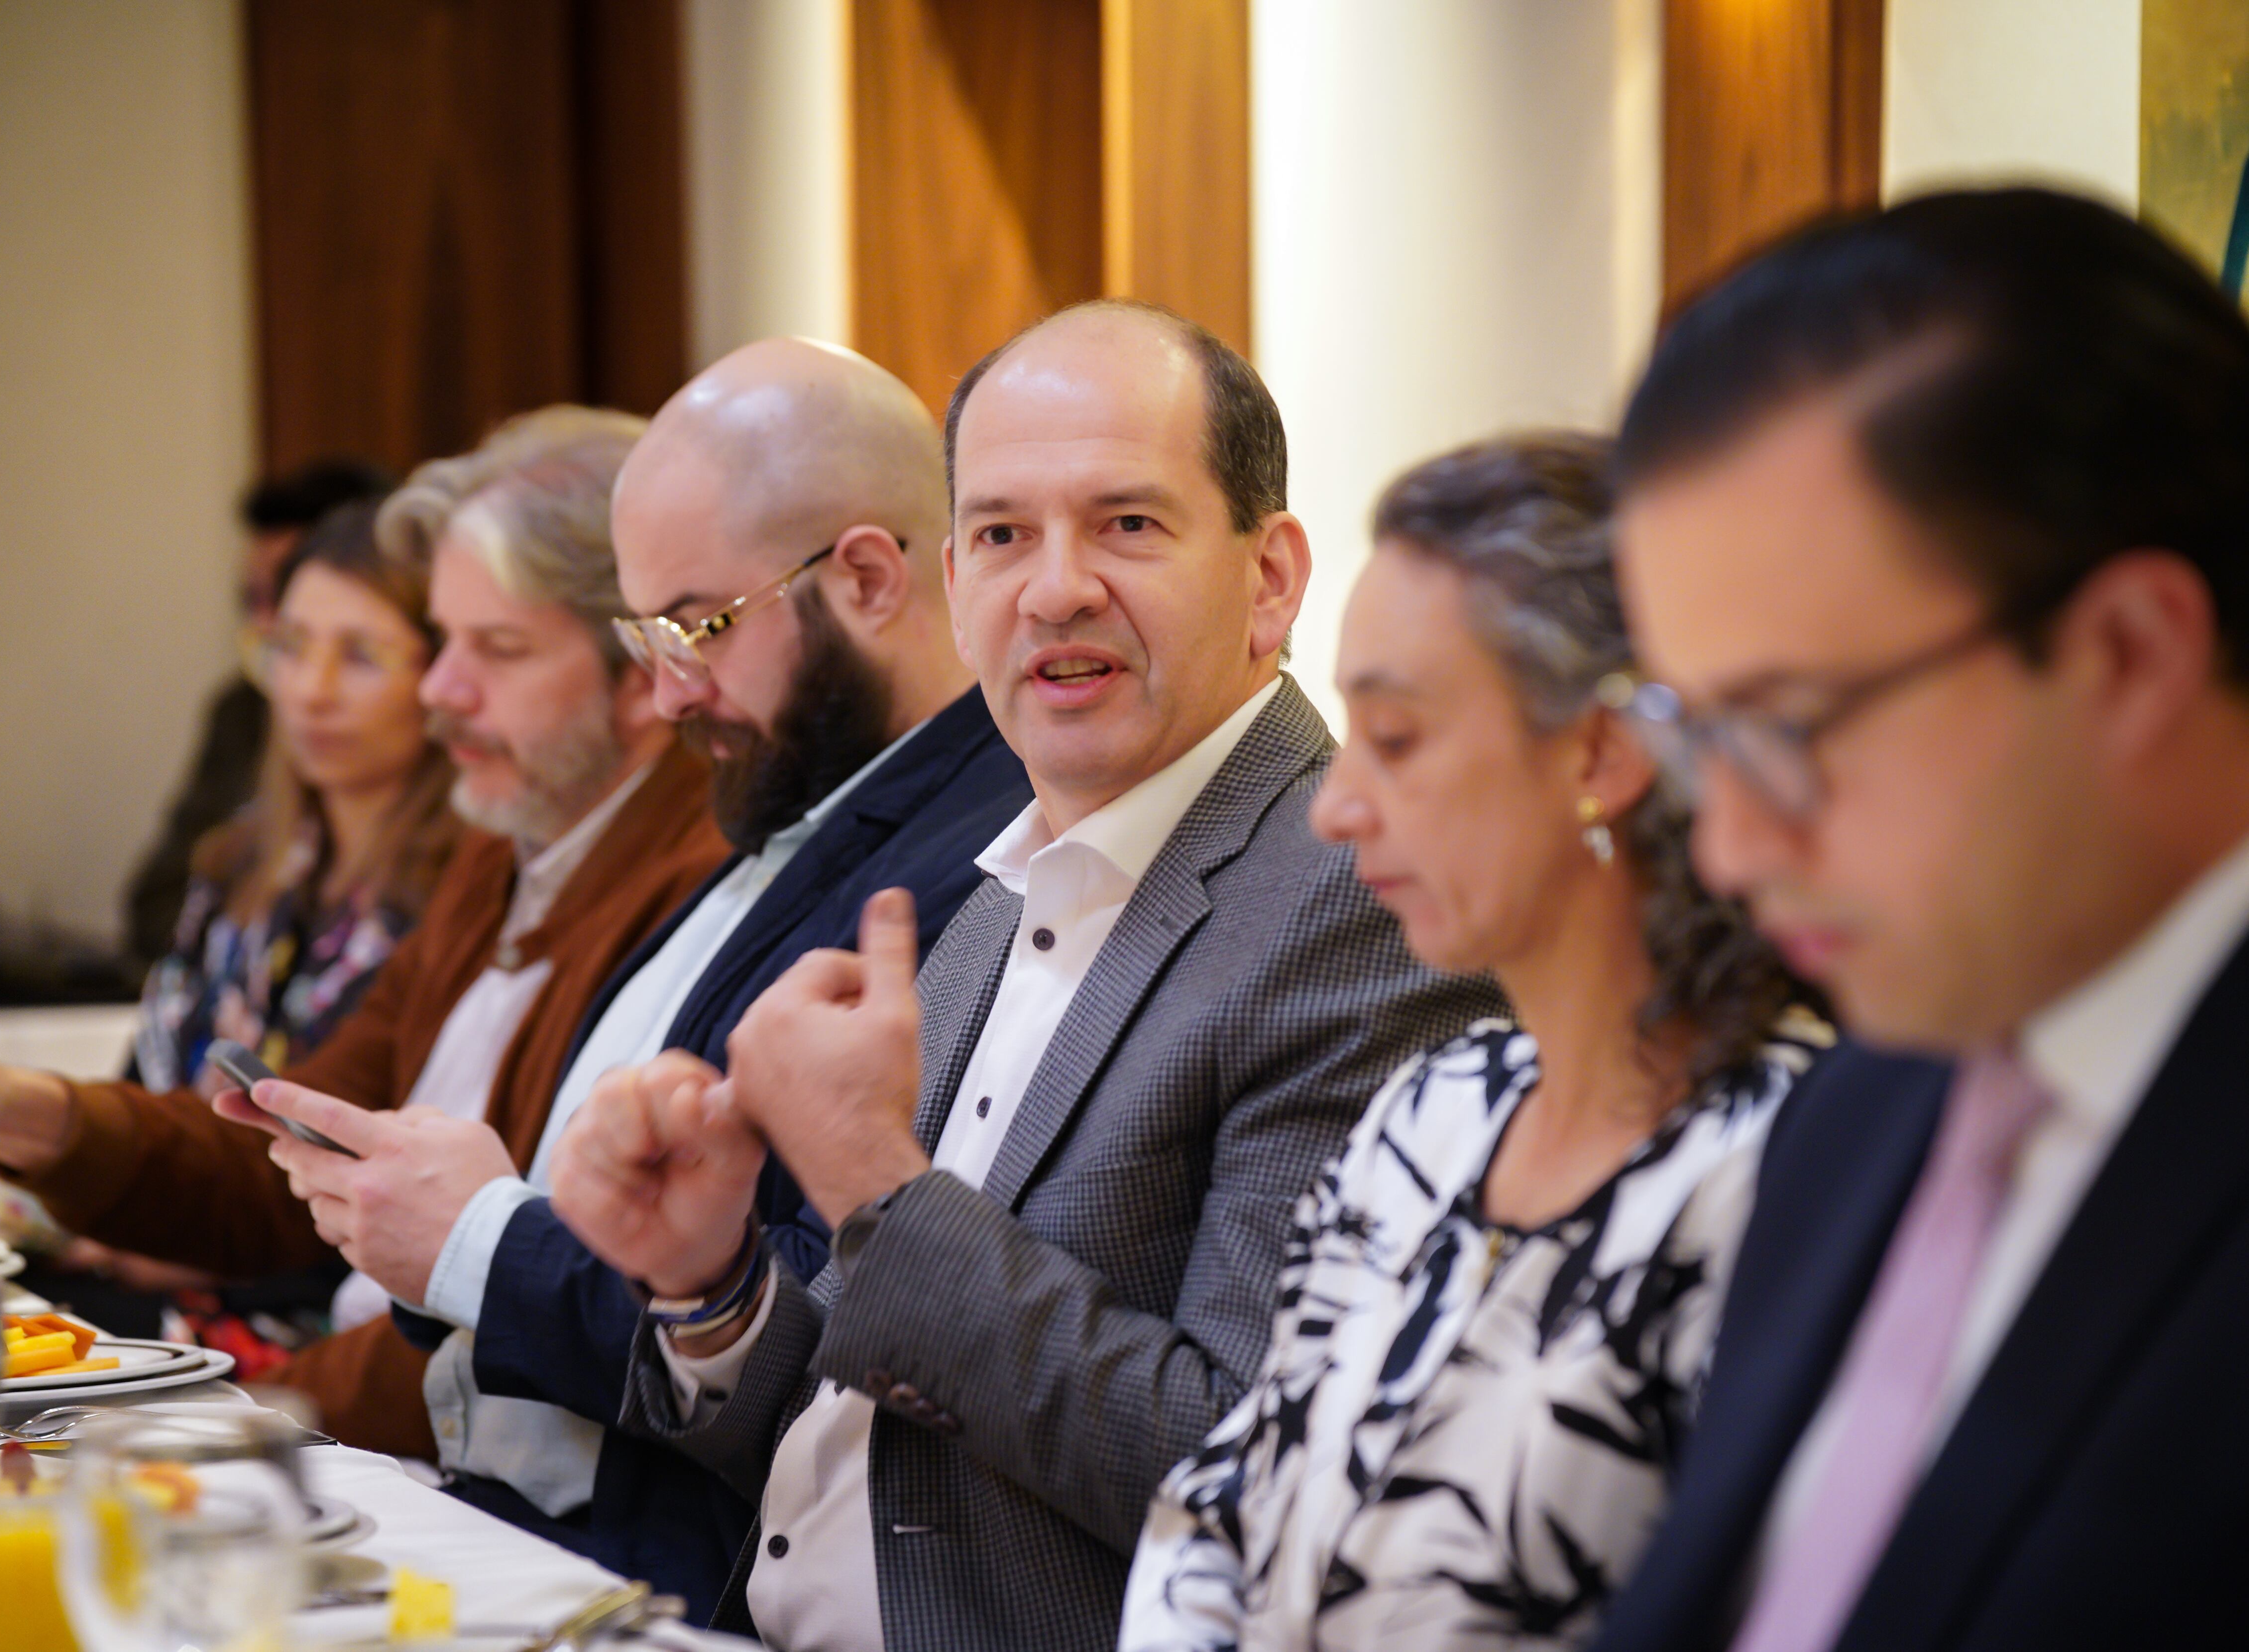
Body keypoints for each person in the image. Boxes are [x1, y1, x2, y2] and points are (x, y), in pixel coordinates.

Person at [548, 300, 1506, 1650]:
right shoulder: (1006, 892)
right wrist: (711, 1283)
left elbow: (1242, 1468)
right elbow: (865, 1412)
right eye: (1002, 534)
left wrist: (876, 1188)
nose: (1054, 587)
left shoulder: (1349, 898)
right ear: (953, 579)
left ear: (1274, 575)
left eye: (1127, 523)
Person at [241, 337, 1033, 1605]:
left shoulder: (958, 868)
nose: (667, 695)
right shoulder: (804, 812)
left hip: (686, 1573)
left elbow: (811, 1335)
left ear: (871, 580)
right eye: (645, 634)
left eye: (694, 627)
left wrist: (480, 1240)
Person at [1581, 188, 2249, 1652]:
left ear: (2129, 651)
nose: (1730, 845)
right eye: (1694, 734)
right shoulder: (1861, 1110)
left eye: (1787, 726)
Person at [0, 406, 727, 1459]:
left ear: (640, 676)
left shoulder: (682, 888)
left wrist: (208, 1427)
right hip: (374, 1428)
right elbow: (282, 1156)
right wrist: (10, 1105)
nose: (440, 693)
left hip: (465, 1469)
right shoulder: (507, 859)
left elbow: (516, 1323)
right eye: (440, 643)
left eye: (497, 649)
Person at [1120, 434, 1828, 1651]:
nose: (1335, 808)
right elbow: (1220, 1507)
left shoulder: (1789, 1169)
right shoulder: (1432, 1110)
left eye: (1394, 740)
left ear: (1599, 757)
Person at [135, 497, 457, 1093]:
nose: (313, 691)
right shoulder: (235, 864)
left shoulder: (467, 896)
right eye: (290, 646)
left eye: (362, 656)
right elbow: (141, 1088)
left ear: (444, 675)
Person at [125, 456, 392, 966]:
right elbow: (155, 908)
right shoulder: (242, 710)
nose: (268, 626)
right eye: (253, 599)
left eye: (359, 653)